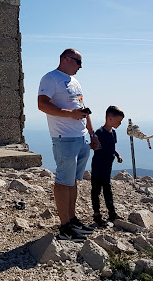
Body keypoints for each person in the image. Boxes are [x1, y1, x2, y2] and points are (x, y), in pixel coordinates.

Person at [38, 49, 100, 242]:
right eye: (78, 62)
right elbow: (42, 104)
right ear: (65, 59)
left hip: (80, 137)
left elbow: (83, 109)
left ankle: (72, 219)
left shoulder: (75, 82)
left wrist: (92, 133)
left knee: (72, 180)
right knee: (63, 180)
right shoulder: (50, 78)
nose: (80, 66)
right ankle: (64, 226)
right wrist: (69, 114)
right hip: (64, 137)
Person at [91, 105, 124, 227]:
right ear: (110, 118)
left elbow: (112, 147)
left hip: (107, 166)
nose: (120, 124)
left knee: (107, 189)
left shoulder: (113, 133)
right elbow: (96, 148)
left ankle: (112, 212)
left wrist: (117, 155)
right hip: (98, 166)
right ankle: (96, 214)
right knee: (96, 190)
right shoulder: (99, 133)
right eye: (118, 121)